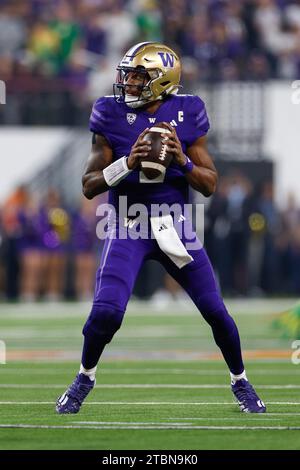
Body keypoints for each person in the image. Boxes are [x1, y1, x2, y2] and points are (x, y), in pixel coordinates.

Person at [56, 42, 266, 414]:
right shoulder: (109, 111)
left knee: (215, 311)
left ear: (162, 81)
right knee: (106, 312)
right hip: (126, 224)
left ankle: (241, 381)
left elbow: (209, 183)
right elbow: (89, 186)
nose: (128, 83)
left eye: (138, 76)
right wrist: (127, 162)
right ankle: (84, 376)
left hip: (174, 225)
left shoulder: (188, 111)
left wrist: (182, 161)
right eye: (128, 75)